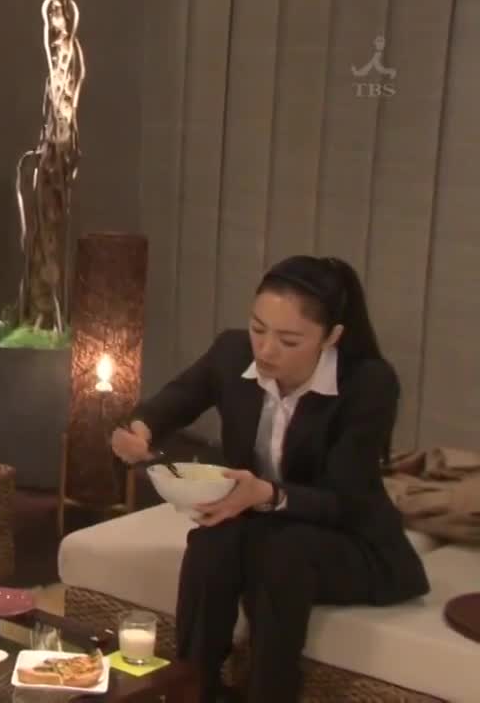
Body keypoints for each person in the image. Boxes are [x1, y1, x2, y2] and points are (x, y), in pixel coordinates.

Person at [111, 255, 429, 703]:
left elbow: (346, 500)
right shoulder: (233, 352)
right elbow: (179, 397)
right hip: (267, 525)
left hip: (350, 540)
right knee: (212, 542)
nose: (265, 350)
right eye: (258, 329)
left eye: (288, 340)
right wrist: (140, 429)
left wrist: (269, 494)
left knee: (283, 553)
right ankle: (192, 689)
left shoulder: (368, 384)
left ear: (331, 337)